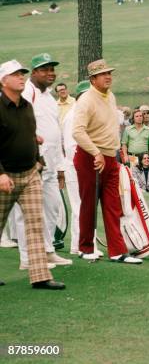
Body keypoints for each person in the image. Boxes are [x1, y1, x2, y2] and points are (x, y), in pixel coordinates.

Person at [0, 59, 65, 289]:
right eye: (16, 74)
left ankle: (40, 276)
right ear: (3, 81)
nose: (21, 77)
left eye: (22, 74)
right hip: (5, 177)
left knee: (36, 223)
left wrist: (38, 161)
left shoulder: (27, 106)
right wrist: (1, 174)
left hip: (29, 174)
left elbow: (31, 135)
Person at [72, 59, 142, 264]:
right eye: (103, 74)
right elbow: (77, 131)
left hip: (110, 157)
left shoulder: (110, 96)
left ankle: (117, 251)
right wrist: (96, 153)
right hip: (90, 157)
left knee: (113, 205)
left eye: (109, 73)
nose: (108, 76)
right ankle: (85, 248)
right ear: (93, 79)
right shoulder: (86, 100)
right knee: (89, 203)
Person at [21, 53, 72, 267]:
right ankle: (28, 258)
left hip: (51, 163)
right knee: (28, 213)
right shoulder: (27, 92)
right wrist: (34, 156)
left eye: (52, 69)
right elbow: (22, 125)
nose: (50, 73)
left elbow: (56, 132)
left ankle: (48, 249)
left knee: (52, 207)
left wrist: (60, 166)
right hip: (33, 162)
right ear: (34, 73)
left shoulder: (50, 97)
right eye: (44, 70)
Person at [62, 80, 102, 256]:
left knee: (83, 205)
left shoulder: (79, 112)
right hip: (76, 166)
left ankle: (80, 245)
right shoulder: (75, 114)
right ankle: (84, 245)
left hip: (77, 165)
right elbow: (72, 146)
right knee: (81, 206)